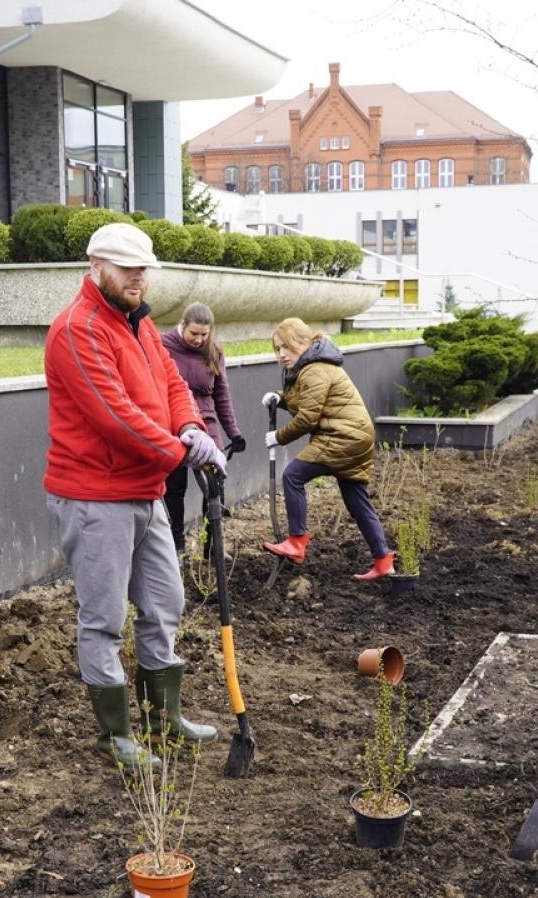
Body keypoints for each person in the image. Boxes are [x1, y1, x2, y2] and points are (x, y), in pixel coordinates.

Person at [44, 222, 224, 768]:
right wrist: (180, 453)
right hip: (95, 495)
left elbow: (172, 385)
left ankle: (162, 718)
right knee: (103, 617)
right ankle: (116, 735)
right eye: (126, 267)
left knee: (165, 602)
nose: (137, 277)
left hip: (145, 491)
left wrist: (191, 426)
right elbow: (115, 417)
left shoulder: (139, 323)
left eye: (142, 268)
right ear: (96, 265)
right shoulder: (77, 330)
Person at [260, 317, 395, 581]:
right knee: (357, 501)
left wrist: (278, 437)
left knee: (293, 476)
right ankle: (383, 561)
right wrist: (281, 398)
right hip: (355, 437)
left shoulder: (315, 369)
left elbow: (308, 418)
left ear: (302, 342)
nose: (282, 354)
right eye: (277, 349)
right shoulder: (311, 366)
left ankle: (296, 542)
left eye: (286, 346)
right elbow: (306, 399)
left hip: (340, 436)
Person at [160, 302, 245, 555]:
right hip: (173, 424)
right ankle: (176, 546)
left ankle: (212, 546)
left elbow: (222, 395)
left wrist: (234, 432)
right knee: (174, 488)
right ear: (182, 325)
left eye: (204, 334)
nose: (198, 340)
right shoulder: (163, 346)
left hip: (206, 423)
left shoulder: (213, 351)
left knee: (215, 484)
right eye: (194, 333)